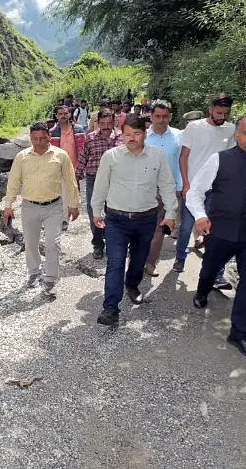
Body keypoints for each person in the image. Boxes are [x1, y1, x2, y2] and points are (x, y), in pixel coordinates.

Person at [188, 116, 246, 359]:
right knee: (209, 268)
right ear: (237, 135)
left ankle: (239, 334)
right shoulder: (220, 159)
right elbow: (196, 191)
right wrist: (200, 216)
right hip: (222, 231)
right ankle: (202, 291)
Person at [91, 114, 177, 325]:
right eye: (127, 134)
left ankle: (132, 284)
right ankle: (110, 308)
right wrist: (96, 212)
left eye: (136, 134)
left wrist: (170, 215)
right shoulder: (111, 157)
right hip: (117, 219)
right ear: (121, 135)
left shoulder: (157, 156)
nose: (131, 138)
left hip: (146, 219)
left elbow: (167, 185)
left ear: (144, 134)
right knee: (115, 262)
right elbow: (100, 186)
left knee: (139, 259)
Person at [4, 121, 80, 297]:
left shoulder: (60, 156)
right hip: (29, 207)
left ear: (49, 137)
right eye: (35, 139)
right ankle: (34, 271)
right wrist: (8, 205)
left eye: (42, 139)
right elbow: (13, 182)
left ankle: (51, 279)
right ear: (30, 138)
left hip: (53, 206)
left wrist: (74, 204)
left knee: (53, 243)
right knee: (30, 244)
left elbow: (70, 181)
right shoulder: (22, 157)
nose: (38, 142)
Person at [175, 96, 236, 292]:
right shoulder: (194, 128)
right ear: (211, 109)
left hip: (217, 190)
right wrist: (186, 184)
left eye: (226, 114)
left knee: (215, 232)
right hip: (194, 188)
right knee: (185, 227)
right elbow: (183, 157)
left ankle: (216, 274)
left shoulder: (231, 129)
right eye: (219, 113)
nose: (222, 117)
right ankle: (181, 257)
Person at [75, 108, 122, 259]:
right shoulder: (90, 138)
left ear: (114, 122)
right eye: (103, 123)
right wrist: (77, 177)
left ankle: (112, 243)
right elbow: (83, 157)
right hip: (93, 179)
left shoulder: (121, 138)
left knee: (113, 212)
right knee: (94, 212)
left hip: (116, 181)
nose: (106, 127)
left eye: (109, 123)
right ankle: (98, 244)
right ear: (97, 123)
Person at [143, 100, 183, 277]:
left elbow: (183, 162)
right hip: (145, 189)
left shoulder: (179, 136)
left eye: (165, 116)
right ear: (151, 116)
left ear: (170, 116)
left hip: (169, 190)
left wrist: (180, 186)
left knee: (160, 228)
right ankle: (136, 257)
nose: (161, 120)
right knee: (141, 227)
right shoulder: (142, 137)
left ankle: (151, 262)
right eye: (157, 116)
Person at [50, 106, 85, 230]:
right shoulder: (53, 132)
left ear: (70, 114)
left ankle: (73, 209)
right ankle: (64, 218)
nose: (63, 116)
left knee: (74, 190)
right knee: (62, 192)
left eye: (65, 113)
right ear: (56, 116)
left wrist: (82, 166)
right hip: (59, 167)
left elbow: (83, 148)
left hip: (76, 166)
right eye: (60, 114)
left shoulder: (79, 130)